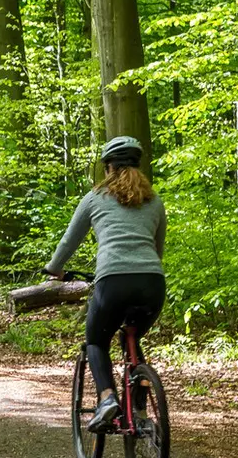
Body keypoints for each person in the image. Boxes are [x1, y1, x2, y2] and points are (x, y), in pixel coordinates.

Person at [48, 135, 166, 434]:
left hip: (113, 281)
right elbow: (157, 248)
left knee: (96, 342)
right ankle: (139, 405)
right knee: (133, 336)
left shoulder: (94, 198)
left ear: (109, 167)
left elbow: (69, 241)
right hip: (152, 282)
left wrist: (54, 269)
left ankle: (107, 399)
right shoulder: (155, 202)